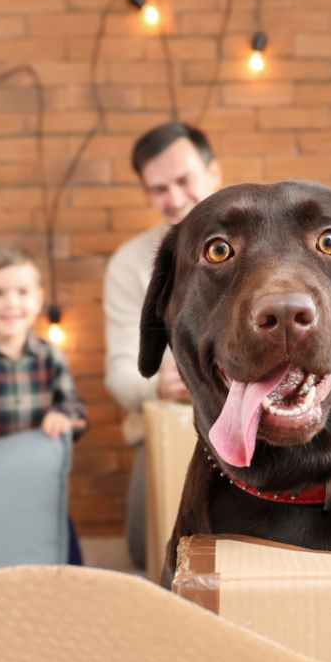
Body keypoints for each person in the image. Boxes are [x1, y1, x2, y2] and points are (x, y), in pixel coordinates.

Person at [104, 121, 221, 568]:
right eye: (157, 189)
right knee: (148, 548)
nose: (172, 199)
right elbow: (119, 374)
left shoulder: (268, 244)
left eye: (183, 180)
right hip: (167, 426)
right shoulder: (130, 265)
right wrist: (157, 385)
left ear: (213, 173)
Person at [0, 242, 88, 561]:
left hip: (39, 486)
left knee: (64, 555)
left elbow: (75, 410)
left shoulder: (50, 358)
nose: (11, 303)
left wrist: (62, 416)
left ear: (39, 298)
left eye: (22, 292)